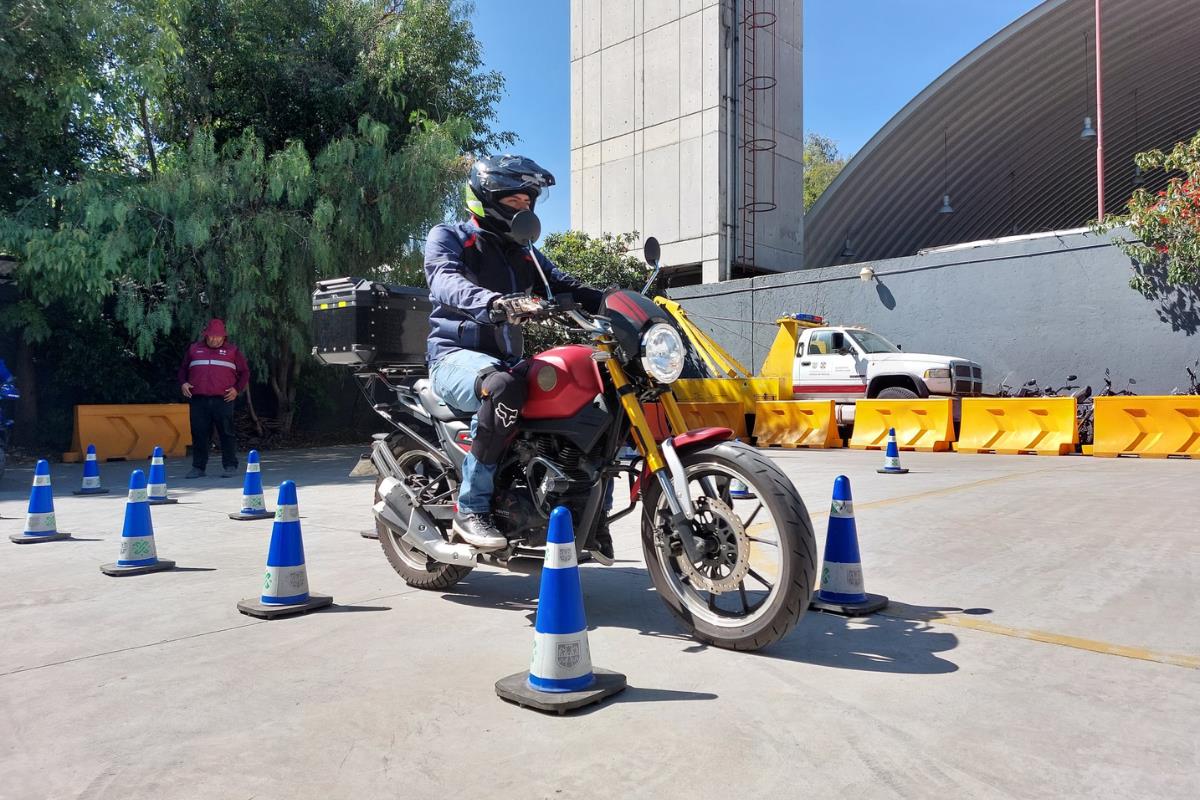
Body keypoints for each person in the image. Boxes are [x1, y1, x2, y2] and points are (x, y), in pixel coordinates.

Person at [424, 154, 612, 556]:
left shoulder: (526, 254)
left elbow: (566, 286)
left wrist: (618, 304)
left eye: (529, 203)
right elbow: (445, 280)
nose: (524, 209)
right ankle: (471, 508)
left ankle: (587, 513)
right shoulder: (451, 237)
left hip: (506, 359)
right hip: (454, 357)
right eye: (515, 202)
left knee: (594, 381)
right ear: (486, 199)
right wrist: (492, 302)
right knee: (503, 386)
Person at [178, 318, 250, 478]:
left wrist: (236, 389)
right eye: (212, 336)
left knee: (226, 432)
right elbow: (183, 369)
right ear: (206, 335)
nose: (215, 339)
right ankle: (198, 467)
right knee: (199, 433)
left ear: (224, 337)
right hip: (198, 399)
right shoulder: (194, 349)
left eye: (219, 337)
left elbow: (245, 372)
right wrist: (183, 383)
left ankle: (230, 465)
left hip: (223, 399)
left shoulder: (233, 351)